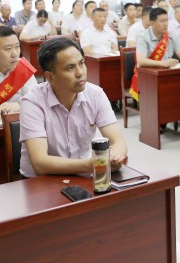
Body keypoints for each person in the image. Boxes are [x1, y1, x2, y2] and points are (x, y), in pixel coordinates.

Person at [19, 38, 128, 178]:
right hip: (41, 180)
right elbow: (40, 164)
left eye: (81, 63)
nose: (80, 72)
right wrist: (91, 164)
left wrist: (115, 157)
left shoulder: (96, 94)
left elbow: (118, 142)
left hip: (81, 174)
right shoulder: (32, 102)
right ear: (50, 77)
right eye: (70, 68)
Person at [129, 7, 179, 101]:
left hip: (166, 73)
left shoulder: (171, 35)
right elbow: (141, 61)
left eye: (166, 20)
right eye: (162, 21)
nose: (166, 24)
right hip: (147, 75)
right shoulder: (143, 37)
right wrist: (163, 63)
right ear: (152, 23)